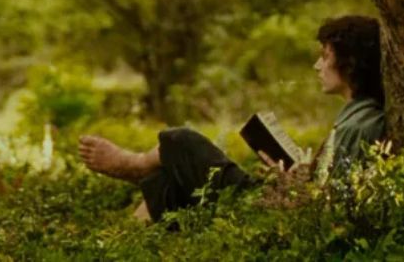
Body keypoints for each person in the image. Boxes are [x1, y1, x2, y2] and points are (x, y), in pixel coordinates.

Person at [77, 15, 386, 223]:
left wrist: (293, 182)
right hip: (276, 200)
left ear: (350, 62)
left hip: (268, 213)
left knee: (181, 141)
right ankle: (117, 244)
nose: (318, 65)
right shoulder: (357, 116)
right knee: (167, 183)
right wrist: (296, 171)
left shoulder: (362, 124)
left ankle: (134, 165)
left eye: (325, 55)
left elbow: (329, 205)